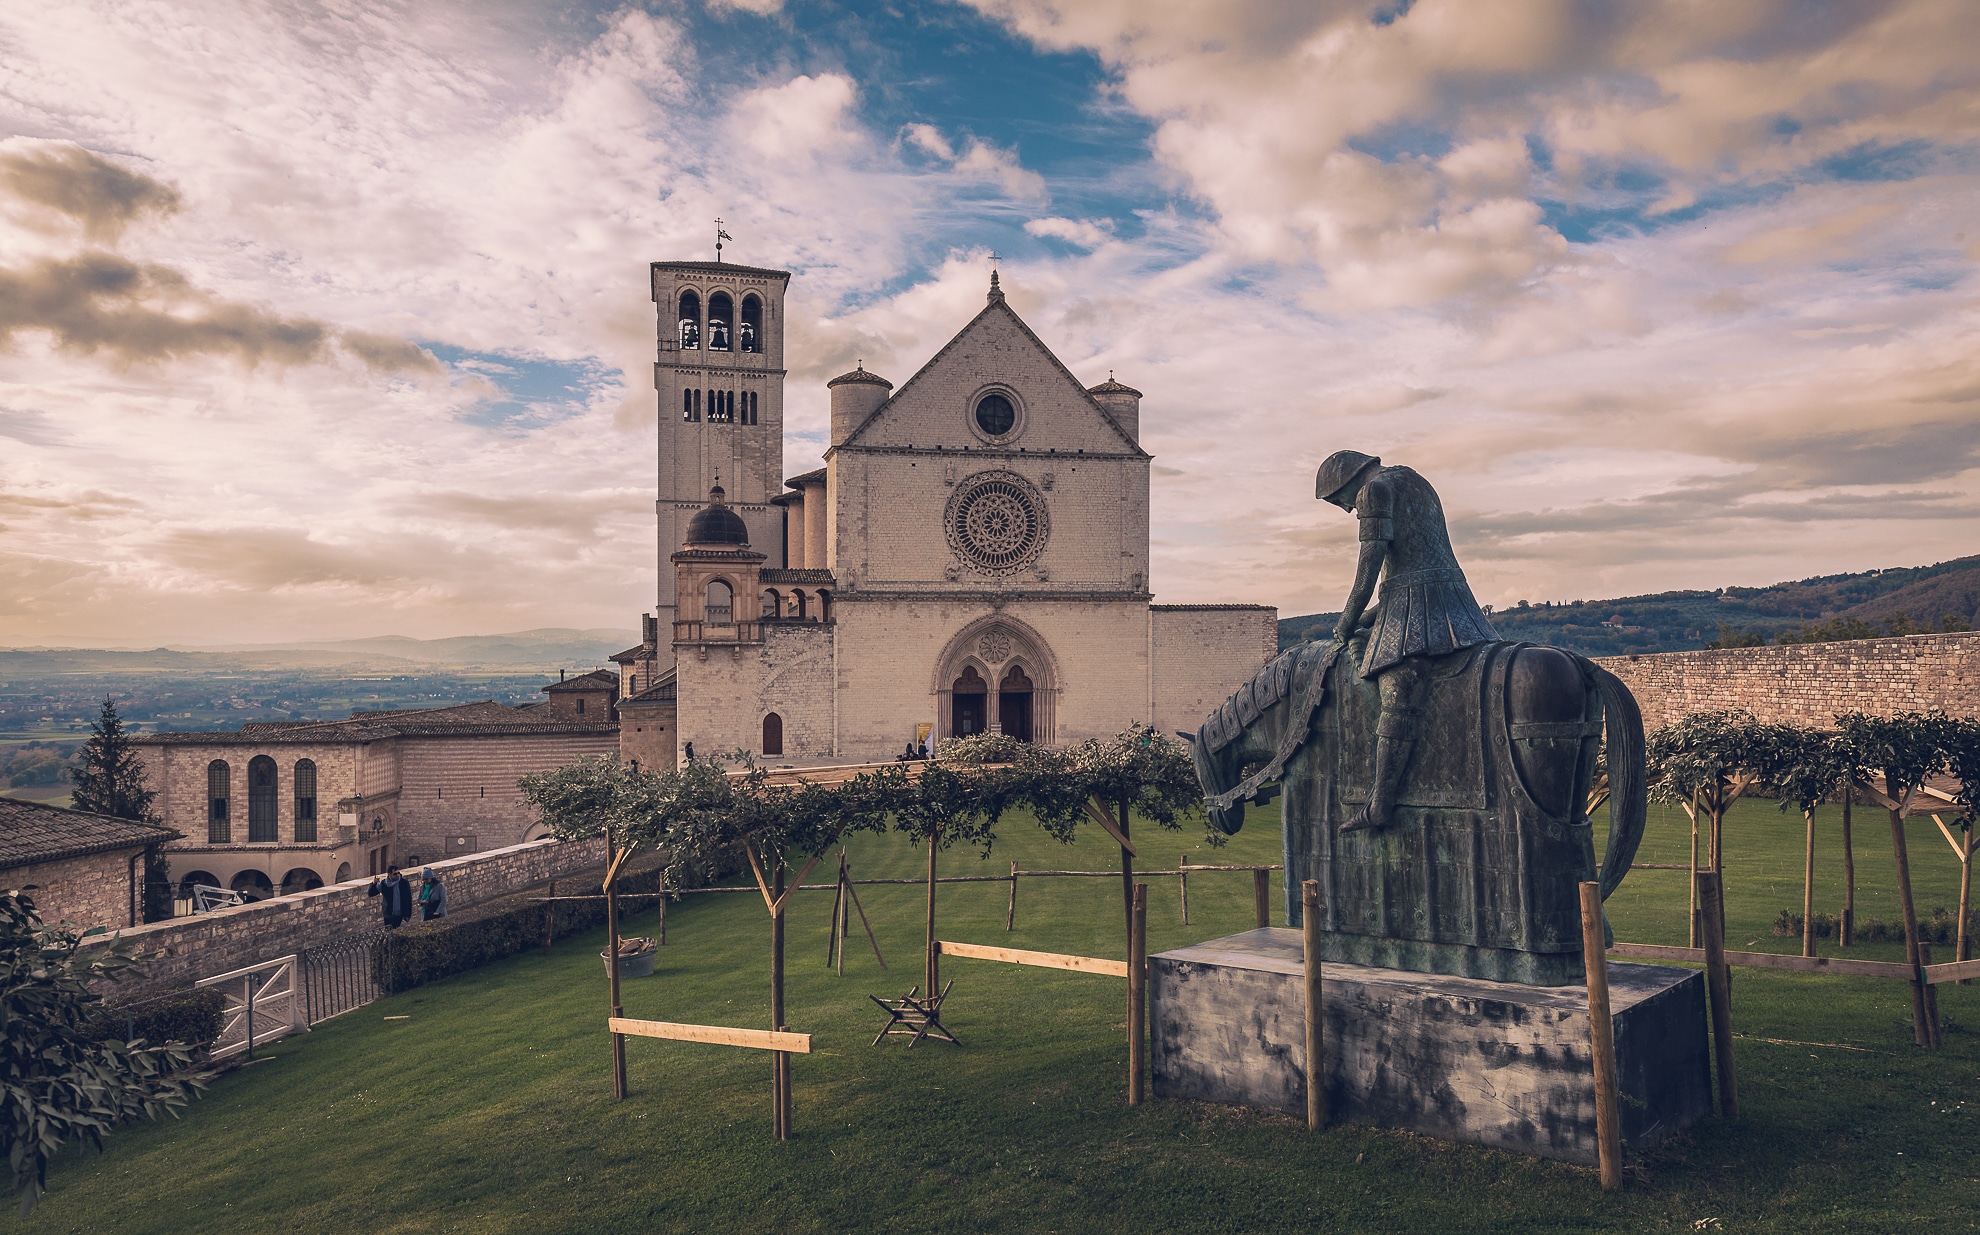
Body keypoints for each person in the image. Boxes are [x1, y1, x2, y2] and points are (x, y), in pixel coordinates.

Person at [1316, 450, 1499, 834]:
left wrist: (1347, 620)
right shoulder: (1413, 478)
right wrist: (1365, 622)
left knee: (1396, 687)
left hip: (1422, 603)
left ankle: (1380, 802)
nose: (1345, 509)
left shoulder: (1373, 492)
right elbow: (1408, 568)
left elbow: (1369, 566)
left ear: (1346, 482)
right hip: (1440, 596)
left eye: (1337, 501)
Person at [368, 864, 415, 929]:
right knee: (389, 933)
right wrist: (373, 883)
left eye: (398, 873)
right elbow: (371, 893)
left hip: (400, 914)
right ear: (389, 874)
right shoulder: (384, 884)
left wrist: (408, 915)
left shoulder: (403, 883)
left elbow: (408, 899)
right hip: (388, 914)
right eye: (395, 874)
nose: (397, 875)